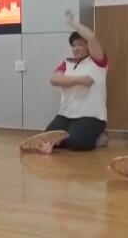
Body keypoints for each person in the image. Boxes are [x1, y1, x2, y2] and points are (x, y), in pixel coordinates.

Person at [22, 10, 109, 153]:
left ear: (88, 47)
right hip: (65, 115)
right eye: (74, 45)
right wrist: (78, 80)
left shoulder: (98, 61)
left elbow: (91, 37)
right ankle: (66, 140)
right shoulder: (66, 63)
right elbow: (55, 80)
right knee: (47, 138)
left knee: (76, 142)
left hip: (92, 117)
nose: (76, 48)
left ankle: (99, 137)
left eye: (80, 45)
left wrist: (72, 23)